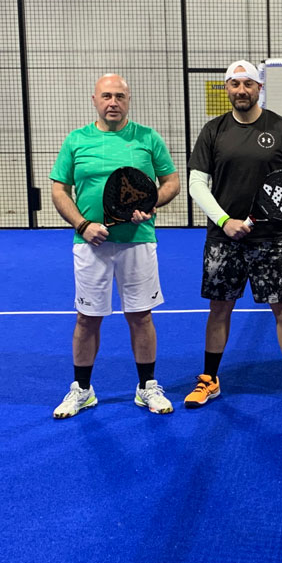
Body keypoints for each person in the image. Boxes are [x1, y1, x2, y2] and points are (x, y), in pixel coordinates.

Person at [49, 73, 180, 419]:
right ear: (94, 100)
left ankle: (147, 386)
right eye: (106, 96)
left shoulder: (147, 137)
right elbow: (59, 190)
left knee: (141, 315)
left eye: (120, 96)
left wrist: (151, 203)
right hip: (90, 244)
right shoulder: (77, 140)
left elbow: (171, 182)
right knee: (87, 318)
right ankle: (83, 390)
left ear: (128, 100)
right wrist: (82, 225)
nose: (113, 102)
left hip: (138, 241)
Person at [185, 60, 282, 408]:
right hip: (224, 239)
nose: (241, 90)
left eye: (248, 84)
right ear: (227, 88)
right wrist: (225, 221)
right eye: (235, 84)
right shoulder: (213, 130)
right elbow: (197, 184)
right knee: (219, 309)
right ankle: (209, 380)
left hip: (273, 239)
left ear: (259, 88)